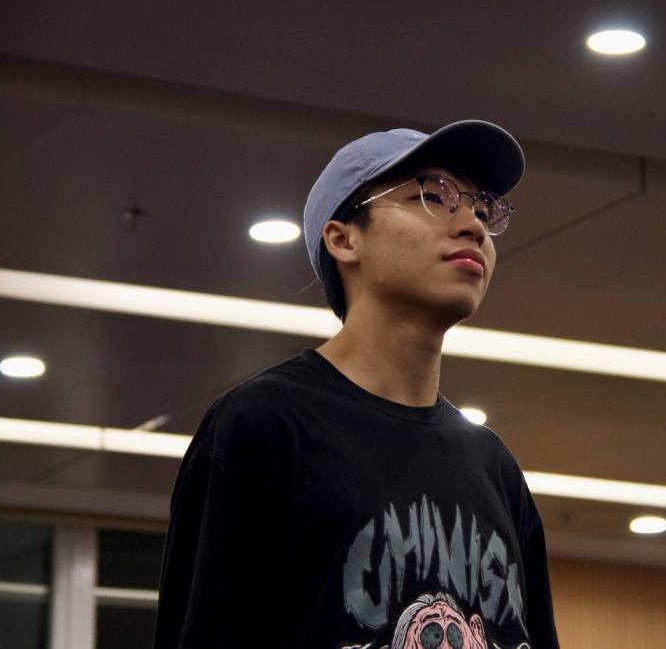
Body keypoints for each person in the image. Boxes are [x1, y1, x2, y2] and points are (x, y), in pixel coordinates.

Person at [154, 120, 561, 649]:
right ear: (343, 239)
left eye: (483, 210)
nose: (473, 226)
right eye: (431, 196)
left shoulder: (495, 468)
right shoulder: (264, 426)